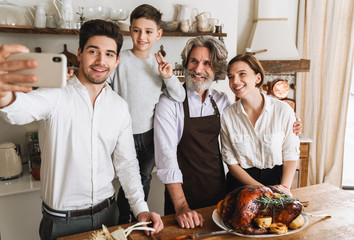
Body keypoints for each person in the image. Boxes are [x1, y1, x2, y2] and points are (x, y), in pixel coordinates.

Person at [0, 19, 163, 240]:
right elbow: (20, 110)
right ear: (80, 53)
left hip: (108, 215)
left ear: (116, 61)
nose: (100, 61)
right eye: (93, 51)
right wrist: (4, 95)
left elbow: (127, 165)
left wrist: (141, 209)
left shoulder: (119, 107)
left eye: (109, 54)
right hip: (61, 221)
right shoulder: (55, 94)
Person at [154, 36, 302, 229]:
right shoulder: (168, 104)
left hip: (220, 194)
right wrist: (181, 206)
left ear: (216, 69)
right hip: (184, 198)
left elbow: (249, 121)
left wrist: (292, 121)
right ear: (186, 64)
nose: (198, 69)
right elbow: (167, 159)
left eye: (207, 63)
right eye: (193, 61)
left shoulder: (221, 101)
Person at [106, 4, 186, 224]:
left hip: (150, 135)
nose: (142, 36)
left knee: (143, 180)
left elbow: (179, 96)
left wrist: (168, 77)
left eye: (149, 31)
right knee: (125, 180)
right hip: (123, 134)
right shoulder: (119, 60)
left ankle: (136, 220)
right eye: (137, 30)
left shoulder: (159, 64)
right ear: (130, 30)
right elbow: (103, 88)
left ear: (158, 34)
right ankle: (122, 220)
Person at [220, 54, 299, 196]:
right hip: (240, 186)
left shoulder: (283, 110)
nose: (235, 81)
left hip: (277, 183)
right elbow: (231, 164)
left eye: (242, 74)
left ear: (258, 78)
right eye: (231, 77)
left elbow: (290, 155)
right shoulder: (227, 115)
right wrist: (264, 191)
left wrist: (284, 190)